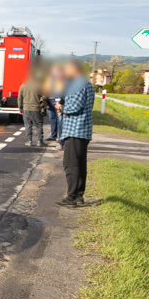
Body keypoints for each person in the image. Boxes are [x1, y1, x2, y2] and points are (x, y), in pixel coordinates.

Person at [55, 59, 94, 207]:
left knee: (70, 164)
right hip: (82, 130)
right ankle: (78, 195)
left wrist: (61, 107)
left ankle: (71, 197)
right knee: (79, 164)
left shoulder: (78, 85)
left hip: (75, 129)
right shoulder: (85, 83)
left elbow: (74, 107)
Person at [18, 70, 46, 146]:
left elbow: (20, 98)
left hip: (26, 108)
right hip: (36, 108)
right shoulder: (39, 86)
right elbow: (43, 97)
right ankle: (40, 141)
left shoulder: (23, 86)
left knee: (28, 125)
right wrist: (44, 109)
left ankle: (29, 141)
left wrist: (20, 107)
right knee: (39, 125)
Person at [44, 65, 64, 144]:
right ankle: (53, 135)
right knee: (52, 119)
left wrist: (59, 101)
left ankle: (60, 137)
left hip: (57, 100)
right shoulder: (49, 79)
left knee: (59, 119)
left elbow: (61, 91)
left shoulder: (61, 80)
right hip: (49, 100)